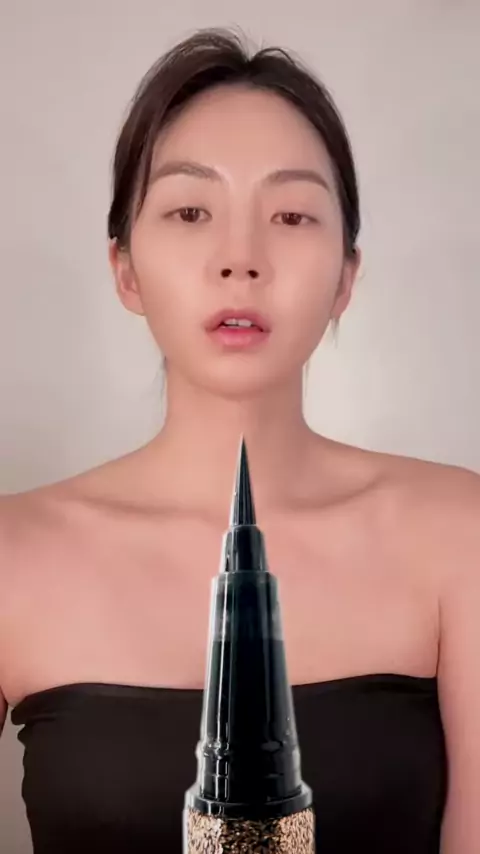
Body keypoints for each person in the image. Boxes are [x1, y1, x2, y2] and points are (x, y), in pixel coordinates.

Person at [0, 26, 479, 854]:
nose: (241, 259)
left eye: (292, 215)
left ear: (346, 276)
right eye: (190, 211)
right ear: (125, 269)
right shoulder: (15, 553)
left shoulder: (456, 534)